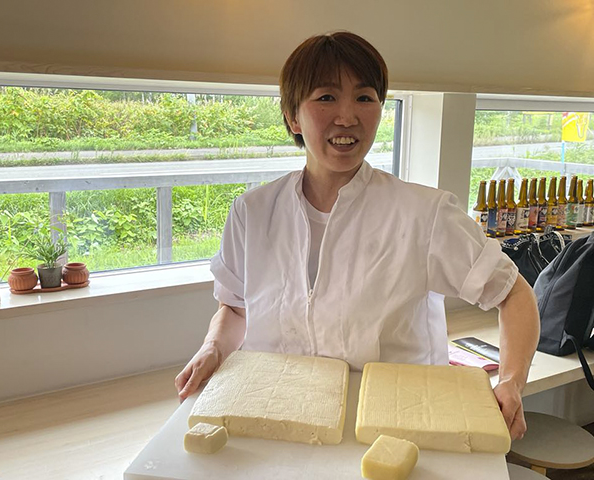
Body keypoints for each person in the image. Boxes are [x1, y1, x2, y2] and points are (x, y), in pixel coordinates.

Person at [175, 31, 540, 441]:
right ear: (293, 117)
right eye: (326, 97)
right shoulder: (253, 212)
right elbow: (236, 309)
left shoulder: (425, 213)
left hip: (399, 429)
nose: (347, 116)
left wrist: (511, 381)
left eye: (365, 97)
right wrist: (212, 348)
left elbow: (514, 294)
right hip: (277, 416)